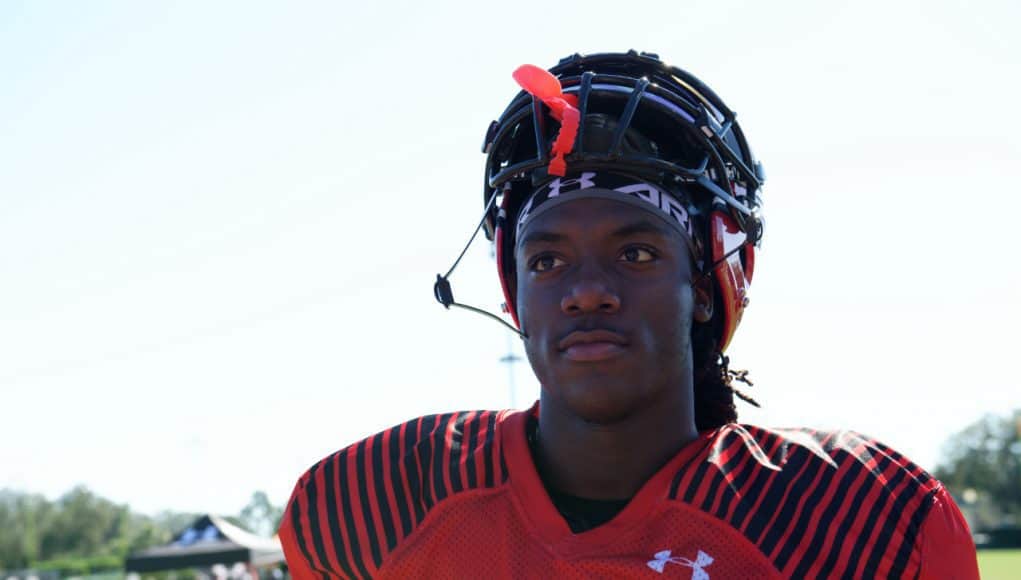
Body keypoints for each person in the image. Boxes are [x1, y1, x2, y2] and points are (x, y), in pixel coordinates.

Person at [278, 51, 979, 579]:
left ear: (706, 283)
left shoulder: (857, 519)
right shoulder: (376, 503)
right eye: (547, 260)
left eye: (636, 252)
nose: (586, 290)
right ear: (512, 290)